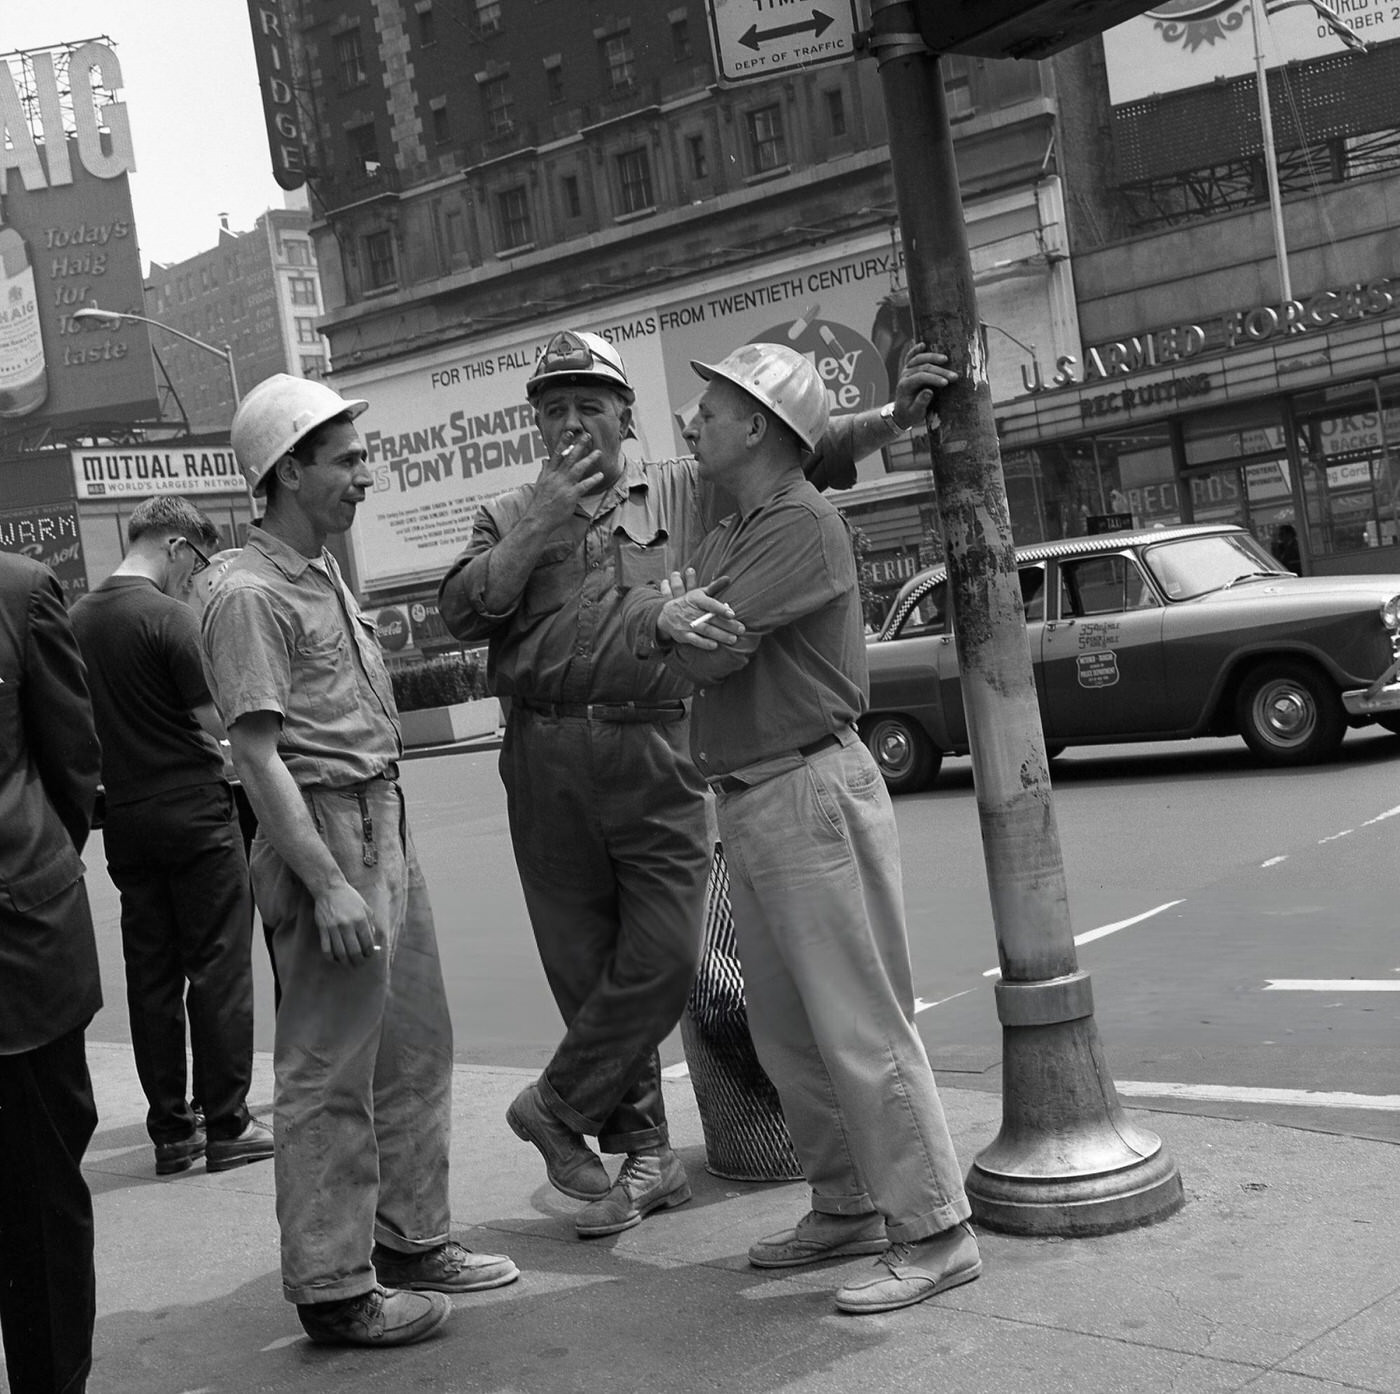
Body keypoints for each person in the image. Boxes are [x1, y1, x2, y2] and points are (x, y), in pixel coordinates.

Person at [438, 328, 955, 1240]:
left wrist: (886, 419)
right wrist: (538, 526)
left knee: (670, 953)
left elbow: (796, 453)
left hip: (661, 750)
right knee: (582, 959)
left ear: (625, 419)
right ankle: (643, 1155)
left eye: (588, 407)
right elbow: (463, 610)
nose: (569, 426)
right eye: (551, 410)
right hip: (546, 754)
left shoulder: (689, 486)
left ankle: (561, 1104)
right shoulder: (510, 511)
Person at [620, 343, 980, 1316]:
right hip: (755, 798)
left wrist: (670, 621)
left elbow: (701, 660)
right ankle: (847, 1200)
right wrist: (667, 616)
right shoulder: (739, 522)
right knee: (786, 1032)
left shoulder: (798, 525)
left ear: (758, 428)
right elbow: (679, 639)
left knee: (859, 1023)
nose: (691, 420)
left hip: (808, 788)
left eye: (710, 406)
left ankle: (935, 1225)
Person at [202, 374, 517, 1349]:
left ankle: (410, 1237)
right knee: (329, 1072)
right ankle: (336, 1285)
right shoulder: (247, 591)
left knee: (416, 1047)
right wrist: (330, 881)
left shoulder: (317, 568)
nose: (364, 477)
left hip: (381, 813)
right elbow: (257, 756)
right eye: (345, 459)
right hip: (328, 834)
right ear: (286, 471)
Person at [70, 498, 273, 1179]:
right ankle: (228, 1123)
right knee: (218, 967)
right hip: (195, 812)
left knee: (152, 976)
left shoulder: (75, 621)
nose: (193, 579)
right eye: (195, 564)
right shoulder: (168, 618)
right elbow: (220, 720)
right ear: (180, 545)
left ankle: (171, 1132)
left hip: (125, 818)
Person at [0, 552, 102, 1393]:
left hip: (17, 959)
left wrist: (27, 875)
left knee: (38, 1205)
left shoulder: (18, 591)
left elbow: (71, 767)